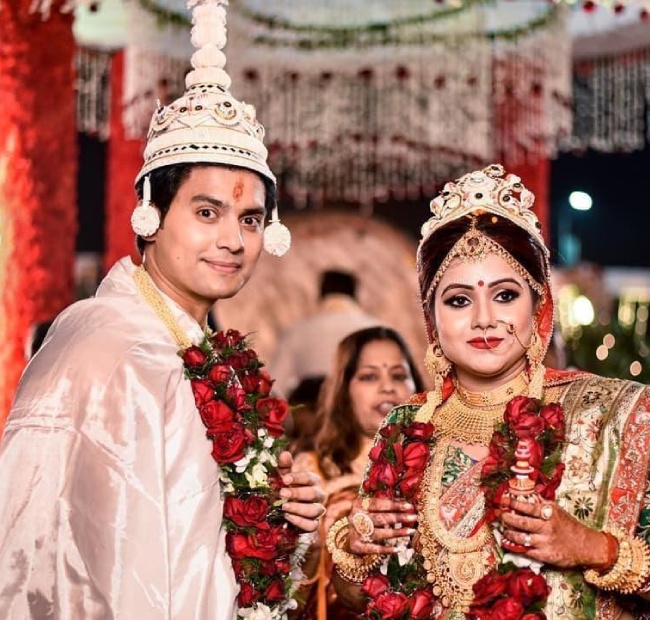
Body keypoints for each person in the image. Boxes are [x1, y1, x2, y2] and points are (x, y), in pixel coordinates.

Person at [0, 1, 324, 618]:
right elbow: (56, 552)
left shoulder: (203, 350)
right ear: (150, 215)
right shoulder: (105, 342)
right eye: (207, 212)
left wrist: (277, 508)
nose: (233, 239)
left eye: (249, 219)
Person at [327, 164, 650, 619]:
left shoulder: (611, 418)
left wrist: (594, 548)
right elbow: (359, 596)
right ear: (432, 318)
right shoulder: (406, 427)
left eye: (505, 295)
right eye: (459, 300)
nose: (484, 318)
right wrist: (356, 547)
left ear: (538, 304)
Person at [292, 326, 424, 620]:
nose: (387, 386)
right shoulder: (311, 470)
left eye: (399, 375)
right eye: (369, 376)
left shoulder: (437, 463)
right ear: (344, 389)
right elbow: (290, 586)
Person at [269, 269, 380, 398]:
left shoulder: (297, 332)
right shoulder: (377, 330)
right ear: (355, 295)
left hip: (312, 411)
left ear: (321, 294)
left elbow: (275, 387)